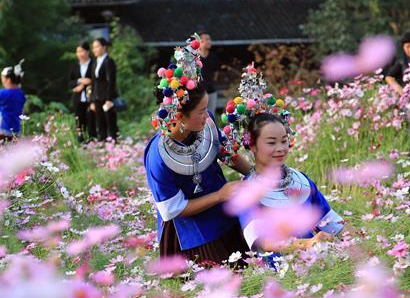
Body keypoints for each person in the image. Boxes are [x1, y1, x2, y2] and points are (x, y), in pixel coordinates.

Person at [144, 35, 253, 265]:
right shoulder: (158, 157)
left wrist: (257, 175)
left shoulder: (206, 124)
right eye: (201, 111)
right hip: (192, 232)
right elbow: (173, 209)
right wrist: (219, 195)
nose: (207, 115)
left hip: (223, 214)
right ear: (180, 117)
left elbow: (226, 154)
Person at [237, 113, 347, 257]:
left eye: (284, 141)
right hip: (280, 270)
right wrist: (306, 244)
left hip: (315, 259)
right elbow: (263, 242)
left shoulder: (301, 180)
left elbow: (330, 220)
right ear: (253, 145)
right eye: (271, 143)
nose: (281, 148)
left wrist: (363, 238)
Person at [89, 37, 118, 141]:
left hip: (107, 97)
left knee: (110, 122)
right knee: (100, 123)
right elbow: (93, 82)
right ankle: (103, 146)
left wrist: (109, 99)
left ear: (104, 47)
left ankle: (114, 146)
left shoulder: (109, 61)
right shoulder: (95, 62)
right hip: (97, 97)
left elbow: (111, 81)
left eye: (97, 46)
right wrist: (92, 100)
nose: (94, 49)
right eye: (93, 47)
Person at [68, 42, 96, 141]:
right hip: (78, 99)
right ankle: (81, 143)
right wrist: (79, 81)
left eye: (81, 51)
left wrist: (89, 82)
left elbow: (95, 80)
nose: (79, 54)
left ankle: (93, 142)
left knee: (92, 122)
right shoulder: (75, 66)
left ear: (87, 51)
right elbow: (70, 83)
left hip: (91, 98)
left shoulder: (94, 64)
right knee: (79, 122)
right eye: (77, 52)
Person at [198, 31, 220, 112]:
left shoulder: (213, 57)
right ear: (200, 41)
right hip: (198, 93)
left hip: (211, 91)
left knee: (211, 116)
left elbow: (216, 73)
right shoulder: (195, 57)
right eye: (207, 39)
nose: (210, 41)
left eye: (210, 39)